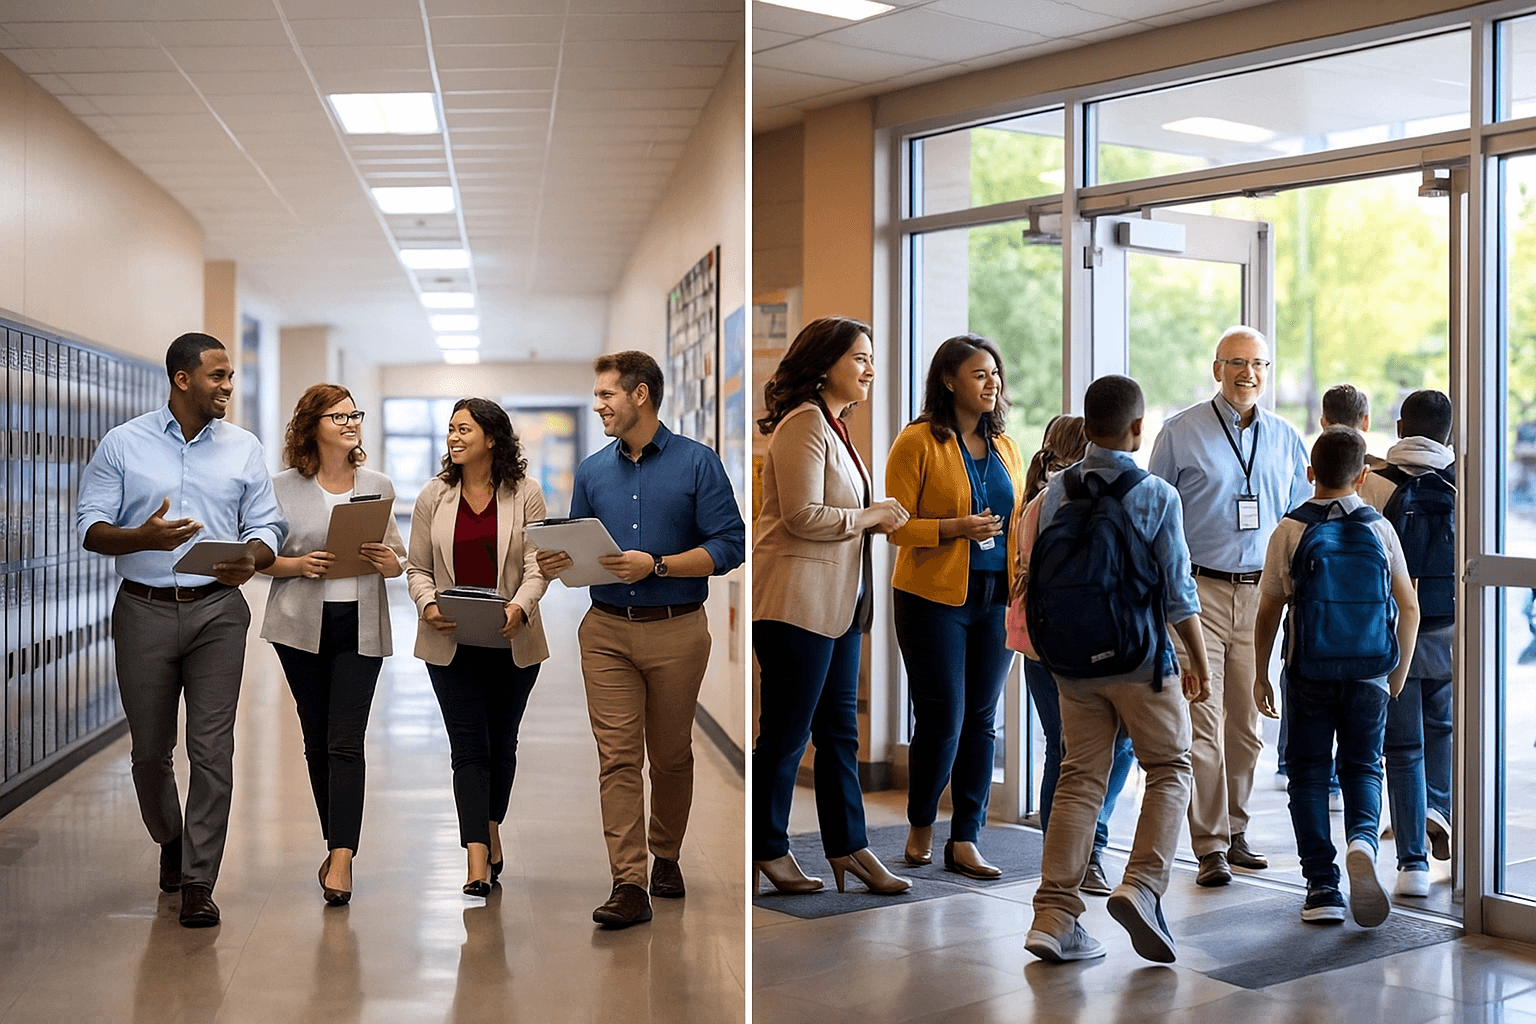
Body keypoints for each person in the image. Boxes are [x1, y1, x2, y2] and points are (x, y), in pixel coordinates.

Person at [76, 332, 287, 928]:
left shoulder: (243, 448)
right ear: (183, 379)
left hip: (219, 609)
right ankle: (171, 838)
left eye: (230, 377)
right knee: (149, 753)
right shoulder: (124, 443)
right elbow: (90, 527)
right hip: (142, 608)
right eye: (218, 376)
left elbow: (269, 526)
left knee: (212, 749)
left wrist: (253, 555)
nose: (228, 386)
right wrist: (143, 537)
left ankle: (198, 879)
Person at [534, 352, 745, 928]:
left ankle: (666, 854)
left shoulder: (698, 464)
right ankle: (628, 882)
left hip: (678, 627)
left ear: (641, 395)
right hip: (604, 631)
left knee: (671, 754)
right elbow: (583, 549)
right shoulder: (593, 471)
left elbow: (730, 545)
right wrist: (559, 561)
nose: (598, 405)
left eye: (607, 395)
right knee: (617, 758)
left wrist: (656, 565)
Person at [1024, 375, 1211, 964]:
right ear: (1137, 429)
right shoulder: (1155, 493)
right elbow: (1179, 590)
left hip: (1071, 660)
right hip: (1139, 660)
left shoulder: (1052, 493)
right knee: (1170, 766)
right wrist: (1198, 661)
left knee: (1080, 778)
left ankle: (1054, 914)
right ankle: (1143, 888)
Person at [751, 317, 912, 897]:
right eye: (860, 358)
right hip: (795, 606)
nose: (870, 369)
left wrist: (876, 509)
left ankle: (850, 847)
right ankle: (766, 846)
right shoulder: (802, 424)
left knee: (840, 734)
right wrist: (871, 515)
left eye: (871, 358)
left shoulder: (835, 426)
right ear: (825, 366)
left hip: (838, 608)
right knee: (787, 736)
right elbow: (801, 516)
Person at [1148, 325, 1311, 887]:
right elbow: (1154, 518)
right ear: (1216, 369)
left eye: (1259, 364)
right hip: (1198, 596)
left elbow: (1297, 523)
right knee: (1203, 721)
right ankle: (1210, 843)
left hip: (1264, 598)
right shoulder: (1180, 432)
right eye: (1237, 363)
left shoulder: (1288, 437)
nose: (1249, 374)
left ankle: (1237, 830)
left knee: (1246, 725)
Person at [1254, 426, 1420, 927]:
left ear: (1310, 474)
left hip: (1308, 668)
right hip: (1370, 669)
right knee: (1364, 766)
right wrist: (1395, 675)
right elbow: (1408, 608)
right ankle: (1362, 842)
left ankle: (1322, 886)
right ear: (1363, 475)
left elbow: (1268, 610)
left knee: (1307, 772)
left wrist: (1261, 673)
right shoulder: (1379, 528)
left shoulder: (1290, 528)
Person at [259, 384, 406, 906]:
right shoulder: (279, 487)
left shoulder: (377, 483)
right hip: (300, 626)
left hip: (359, 626)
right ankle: (333, 842)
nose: (350, 423)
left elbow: (396, 555)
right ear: (312, 425)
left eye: (354, 414)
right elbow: (256, 559)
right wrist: (298, 565)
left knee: (346, 740)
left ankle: (342, 857)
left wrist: (393, 564)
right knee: (317, 742)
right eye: (337, 416)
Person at [886, 334, 1025, 878]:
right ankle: (922, 821)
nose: (992, 383)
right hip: (931, 598)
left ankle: (966, 837)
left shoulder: (1006, 447)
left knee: (982, 722)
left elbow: (1016, 520)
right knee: (943, 716)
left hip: (995, 599)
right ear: (949, 380)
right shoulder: (917, 441)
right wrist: (954, 529)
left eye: (995, 374)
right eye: (979, 374)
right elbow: (895, 526)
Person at [406, 398, 550, 899]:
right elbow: (417, 567)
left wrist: (521, 607)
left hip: (512, 637)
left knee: (501, 743)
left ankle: (490, 827)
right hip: (451, 641)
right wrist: (427, 606)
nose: (454, 437)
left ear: (492, 438)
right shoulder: (434, 496)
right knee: (468, 747)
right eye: (450, 429)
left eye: (464, 429)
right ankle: (475, 857)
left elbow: (538, 565)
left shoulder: (526, 494)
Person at [1009, 414, 1136, 896]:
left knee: (1071, 750)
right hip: (1074, 645)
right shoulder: (1059, 504)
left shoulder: (1039, 503)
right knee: (1084, 749)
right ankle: (1078, 855)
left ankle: (1073, 852)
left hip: (1048, 645)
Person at [1359, 389, 1456, 898]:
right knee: (1443, 729)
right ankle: (1438, 808)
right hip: (1449, 632)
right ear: (1450, 433)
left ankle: (1412, 862)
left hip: (1392, 632)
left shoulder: (1372, 484)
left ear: (1399, 429)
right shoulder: (1463, 485)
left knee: (1401, 748)